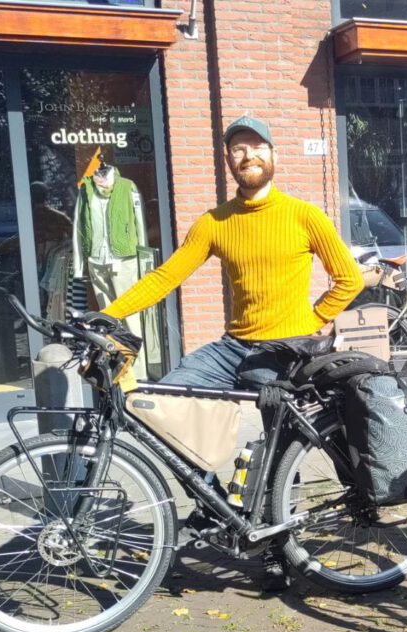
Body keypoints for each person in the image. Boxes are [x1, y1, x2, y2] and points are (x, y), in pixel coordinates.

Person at [102, 116, 365, 592]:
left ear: (274, 155)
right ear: (228, 161)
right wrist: (109, 314)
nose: (248, 157)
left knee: (275, 451)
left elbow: (350, 278)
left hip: (287, 347)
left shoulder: (304, 215)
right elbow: (166, 276)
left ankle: (278, 551)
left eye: (257, 147)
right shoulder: (215, 222)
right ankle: (215, 506)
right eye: (238, 150)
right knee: (164, 405)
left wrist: (308, 327)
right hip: (233, 344)